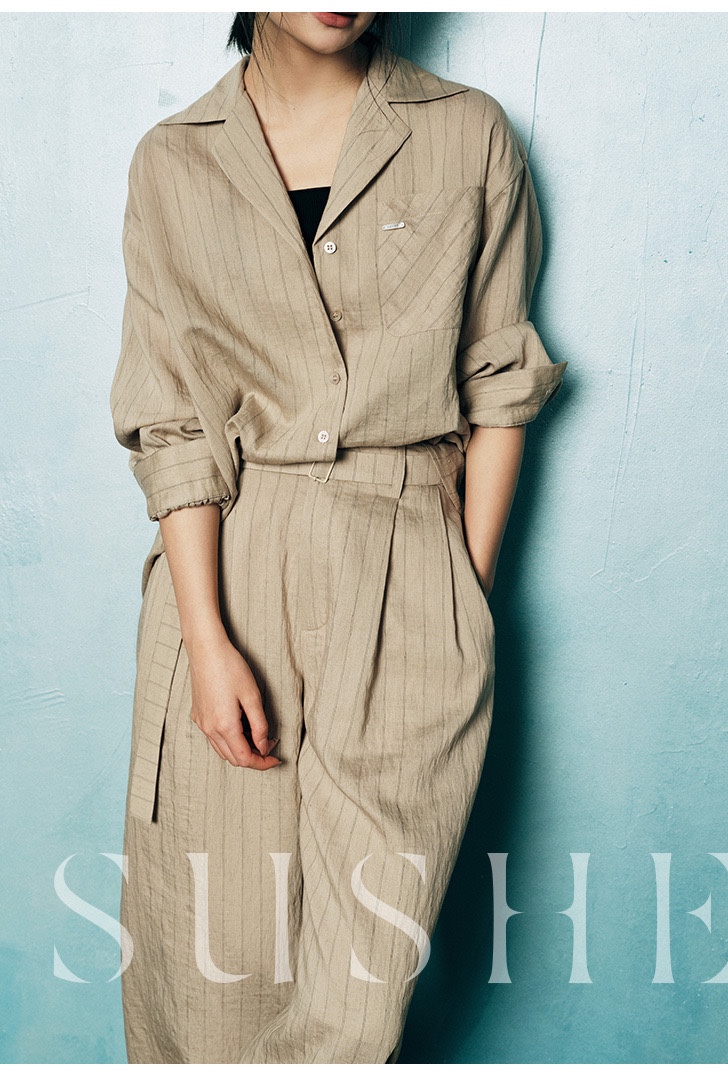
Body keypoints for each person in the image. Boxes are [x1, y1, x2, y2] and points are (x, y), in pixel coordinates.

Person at [109, 11, 567, 1065]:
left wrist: (456, 595)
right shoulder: (173, 162)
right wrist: (207, 641)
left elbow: (499, 383)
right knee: (212, 981)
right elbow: (174, 426)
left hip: (407, 550)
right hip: (232, 568)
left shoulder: (466, 133)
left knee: (356, 1004)